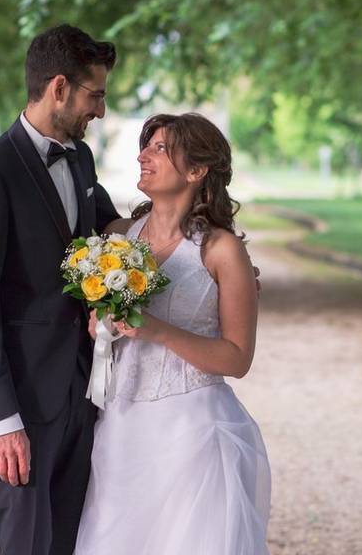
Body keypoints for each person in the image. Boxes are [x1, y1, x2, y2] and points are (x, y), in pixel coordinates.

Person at [0, 24, 121, 554]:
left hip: (81, 390)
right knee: (27, 543)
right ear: (59, 88)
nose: (100, 110)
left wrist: (205, 245)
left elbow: (112, 229)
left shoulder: (81, 158)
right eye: (95, 96)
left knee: (72, 539)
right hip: (22, 403)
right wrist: (0, 419)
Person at [75, 113, 271, 554]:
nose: (142, 156)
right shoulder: (116, 238)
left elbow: (237, 358)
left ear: (197, 170)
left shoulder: (221, 250)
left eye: (159, 148)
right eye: (145, 146)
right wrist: (100, 326)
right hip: (120, 429)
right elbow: (99, 322)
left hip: (192, 435)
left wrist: (160, 331)